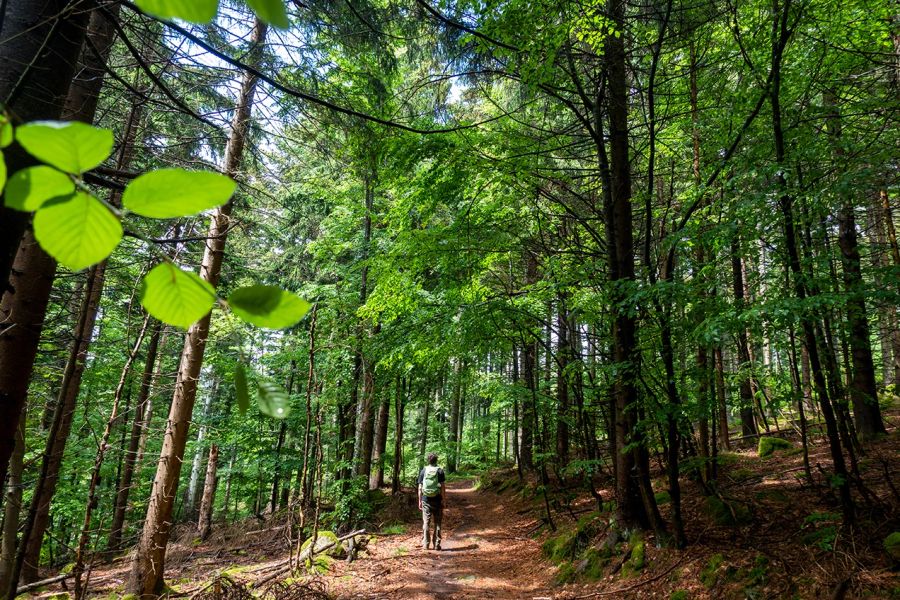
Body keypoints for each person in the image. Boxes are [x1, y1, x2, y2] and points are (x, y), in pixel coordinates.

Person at [417, 452, 446, 550]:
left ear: (428, 460)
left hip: (426, 499)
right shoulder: (440, 471)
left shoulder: (423, 470)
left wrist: (420, 500)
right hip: (437, 500)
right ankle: (437, 544)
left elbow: (420, 487)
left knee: (426, 522)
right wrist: (444, 500)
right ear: (436, 460)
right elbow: (442, 487)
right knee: (437, 522)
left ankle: (426, 544)